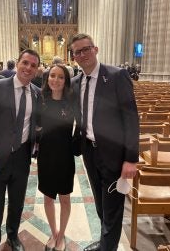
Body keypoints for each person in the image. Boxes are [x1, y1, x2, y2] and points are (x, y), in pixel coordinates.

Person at [70, 33, 139, 251]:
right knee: (100, 203)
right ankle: (105, 241)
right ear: (73, 57)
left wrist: (130, 159)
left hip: (113, 154)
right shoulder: (76, 82)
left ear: (96, 49)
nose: (82, 55)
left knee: (112, 207)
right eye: (77, 52)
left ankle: (107, 247)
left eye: (86, 49)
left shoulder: (117, 76)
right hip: (90, 151)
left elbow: (130, 119)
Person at [0, 49, 41, 251]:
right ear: (17, 63)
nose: (28, 68)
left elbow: (37, 124)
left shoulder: (37, 93)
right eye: (25, 63)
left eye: (33, 65)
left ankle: (12, 236)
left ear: (37, 69)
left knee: (17, 202)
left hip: (22, 157)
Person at [37, 64, 75, 251]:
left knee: (65, 198)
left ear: (66, 80)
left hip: (65, 156)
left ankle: (62, 235)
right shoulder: (40, 99)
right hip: (46, 155)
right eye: (52, 75)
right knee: (48, 197)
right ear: (47, 77)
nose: (56, 80)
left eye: (61, 77)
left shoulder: (72, 102)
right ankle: (54, 232)